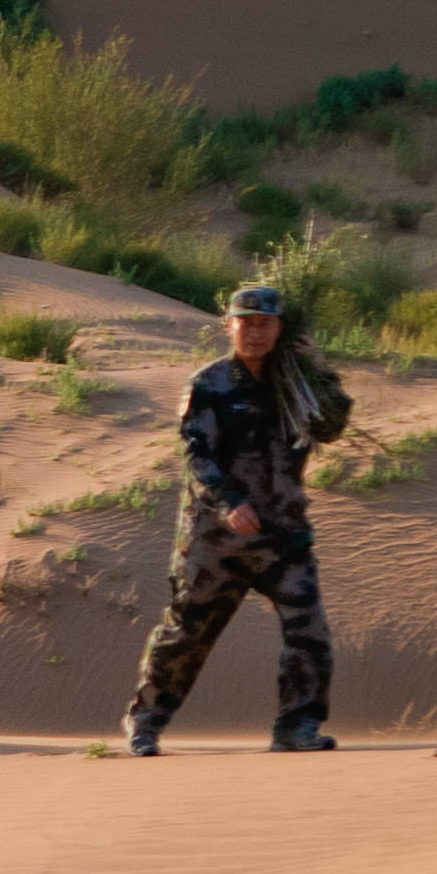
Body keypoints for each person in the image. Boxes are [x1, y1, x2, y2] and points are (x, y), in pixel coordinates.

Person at [128, 286, 339, 756]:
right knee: (188, 633)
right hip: (217, 540)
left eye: (265, 323)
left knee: (309, 631)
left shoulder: (296, 384)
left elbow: (331, 426)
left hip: (284, 536)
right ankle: (146, 722)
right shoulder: (210, 384)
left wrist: (317, 367)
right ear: (229, 326)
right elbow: (196, 454)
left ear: (281, 328)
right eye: (245, 322)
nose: (255, 331)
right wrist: (229, 501)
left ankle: (297, 727)